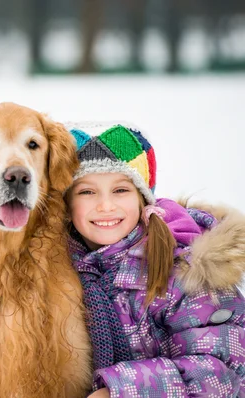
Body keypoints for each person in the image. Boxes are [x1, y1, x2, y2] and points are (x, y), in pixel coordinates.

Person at [64, 121, 245, 397]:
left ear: (143, 199)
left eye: (120, 190)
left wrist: (118, 392)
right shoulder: (60, 271)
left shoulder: (185, 268)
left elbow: (219, 371)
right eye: (86, 192)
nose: (105, 205)